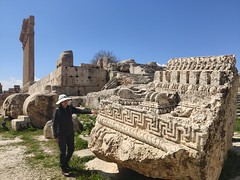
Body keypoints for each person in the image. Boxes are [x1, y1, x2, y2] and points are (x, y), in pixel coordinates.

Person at [53, 94, 93, 176]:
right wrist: (55, 136)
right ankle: (63, 168)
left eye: (66, 101)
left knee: (71, 149)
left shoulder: (70, 108)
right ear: (60, 102)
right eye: (63, 101)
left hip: (70, 133)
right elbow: (55, 124)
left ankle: (66, 163)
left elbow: (79, 111)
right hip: (61, 134)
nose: (65, 103)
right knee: (63, 152)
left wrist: (90, 112)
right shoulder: (58, 111)